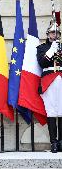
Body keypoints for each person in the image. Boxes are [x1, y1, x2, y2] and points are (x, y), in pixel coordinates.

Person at [37, 20, 62, 153]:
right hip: (48, 81)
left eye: (57, 32)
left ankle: (61, 142)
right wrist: (51, 51)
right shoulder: (42, 48)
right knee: (51, 111)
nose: (55, 34)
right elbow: (41, 63)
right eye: (53, 32)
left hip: (61, 79)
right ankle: (53, 142)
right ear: (48, 34)